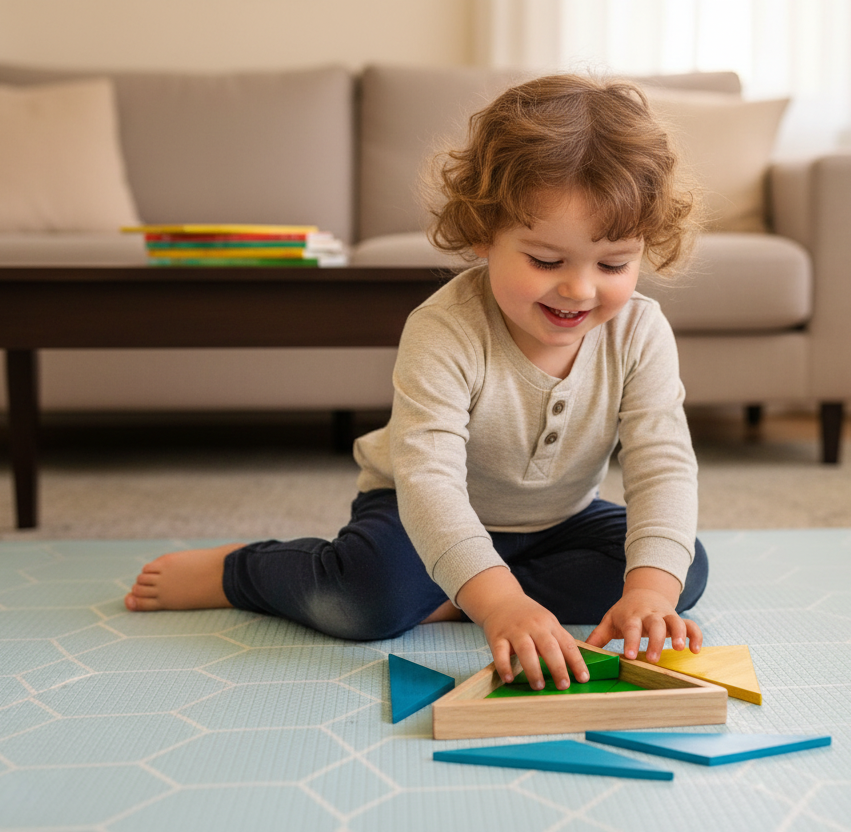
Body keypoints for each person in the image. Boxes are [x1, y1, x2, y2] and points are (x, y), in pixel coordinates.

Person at [124, 73, 708, 693]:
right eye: (546, 260)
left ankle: (458, 593)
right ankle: (239, 571)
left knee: (679, 571)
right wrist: (502, 605)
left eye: (614, 264)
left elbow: (663, 464)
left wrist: (648, 590)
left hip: (556, 521)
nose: (580, 289)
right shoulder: (444, 329)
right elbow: (429, 481)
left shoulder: (641, 331)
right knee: (365, 601)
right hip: (416, 510)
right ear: (485, 234)